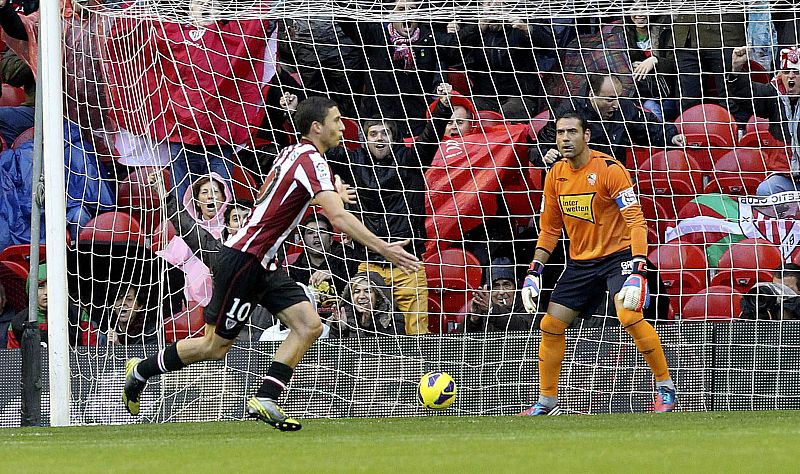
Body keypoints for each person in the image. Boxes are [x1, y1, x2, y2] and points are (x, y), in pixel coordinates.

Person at [122, 97, 420, 431]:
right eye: (337, 120)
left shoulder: (294, 153)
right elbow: (337, 217)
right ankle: (141, 370)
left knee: (309, 325)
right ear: (317, 127)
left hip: (264, 262)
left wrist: (332, 190)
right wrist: (386, 250)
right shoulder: (314, 162)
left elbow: (284, 192)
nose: (343, 126)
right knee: (214, 347)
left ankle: (266, 396)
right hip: (244, 260)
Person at [517, 111, 676, 416]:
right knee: (551, 324)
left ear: (586, 136)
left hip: (619, 257)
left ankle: (665, 389)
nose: (565, 138)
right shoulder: (555, 176)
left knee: (628, 315)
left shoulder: (609, 169)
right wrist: (534, 270)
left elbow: (636, 221)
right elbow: (550, 230)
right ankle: (547, 402)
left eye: (572, 132)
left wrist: (638, 267)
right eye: (560, 132)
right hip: (581, 263)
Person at [283, 82, 453, 335]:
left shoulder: (411, 159)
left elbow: (430, 137)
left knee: (417, 336)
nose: (380, 138)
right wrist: (291, 115)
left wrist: (443, 107)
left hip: (408, 265)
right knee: (364, 332)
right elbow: (317, 145)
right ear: (365, 139)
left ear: (394, 138)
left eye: (385, 133)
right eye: (373, 134)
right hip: (369, 267)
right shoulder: (353, 161)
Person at [529, 74, 685, 167]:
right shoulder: (568, 111)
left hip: (611, 176)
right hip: (574, 180)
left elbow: (647, 127)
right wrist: (544, 154)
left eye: (618, 97)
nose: (616, 105)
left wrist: (671, 136)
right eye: (610, 99)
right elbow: (541, 145)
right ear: (592, 95)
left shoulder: (625, 107)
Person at [728, 46, 800, 195]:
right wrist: (736, 70)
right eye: (786, 72)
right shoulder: (773, 93)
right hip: (786, 176)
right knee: (765, 190)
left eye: (796, 72)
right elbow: (746, 96)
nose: (791, 76)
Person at [465, 257, 534, 333]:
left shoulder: (529, 302)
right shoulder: (483, 308)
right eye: (496, 286)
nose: (501, 292)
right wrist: (473, 320)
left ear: (516, 287)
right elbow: (458, 341)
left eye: (506, 285)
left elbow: (524, 328)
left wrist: (492, 309)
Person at [330, 272, 406, 337]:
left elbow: (392, 349)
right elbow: (333, 351)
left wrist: (369, 326)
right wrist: (341, 329)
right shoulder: (343, 316)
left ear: (378, 296)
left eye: (367, 291)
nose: (362, 296)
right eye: (357, 291)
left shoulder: (394, 318)